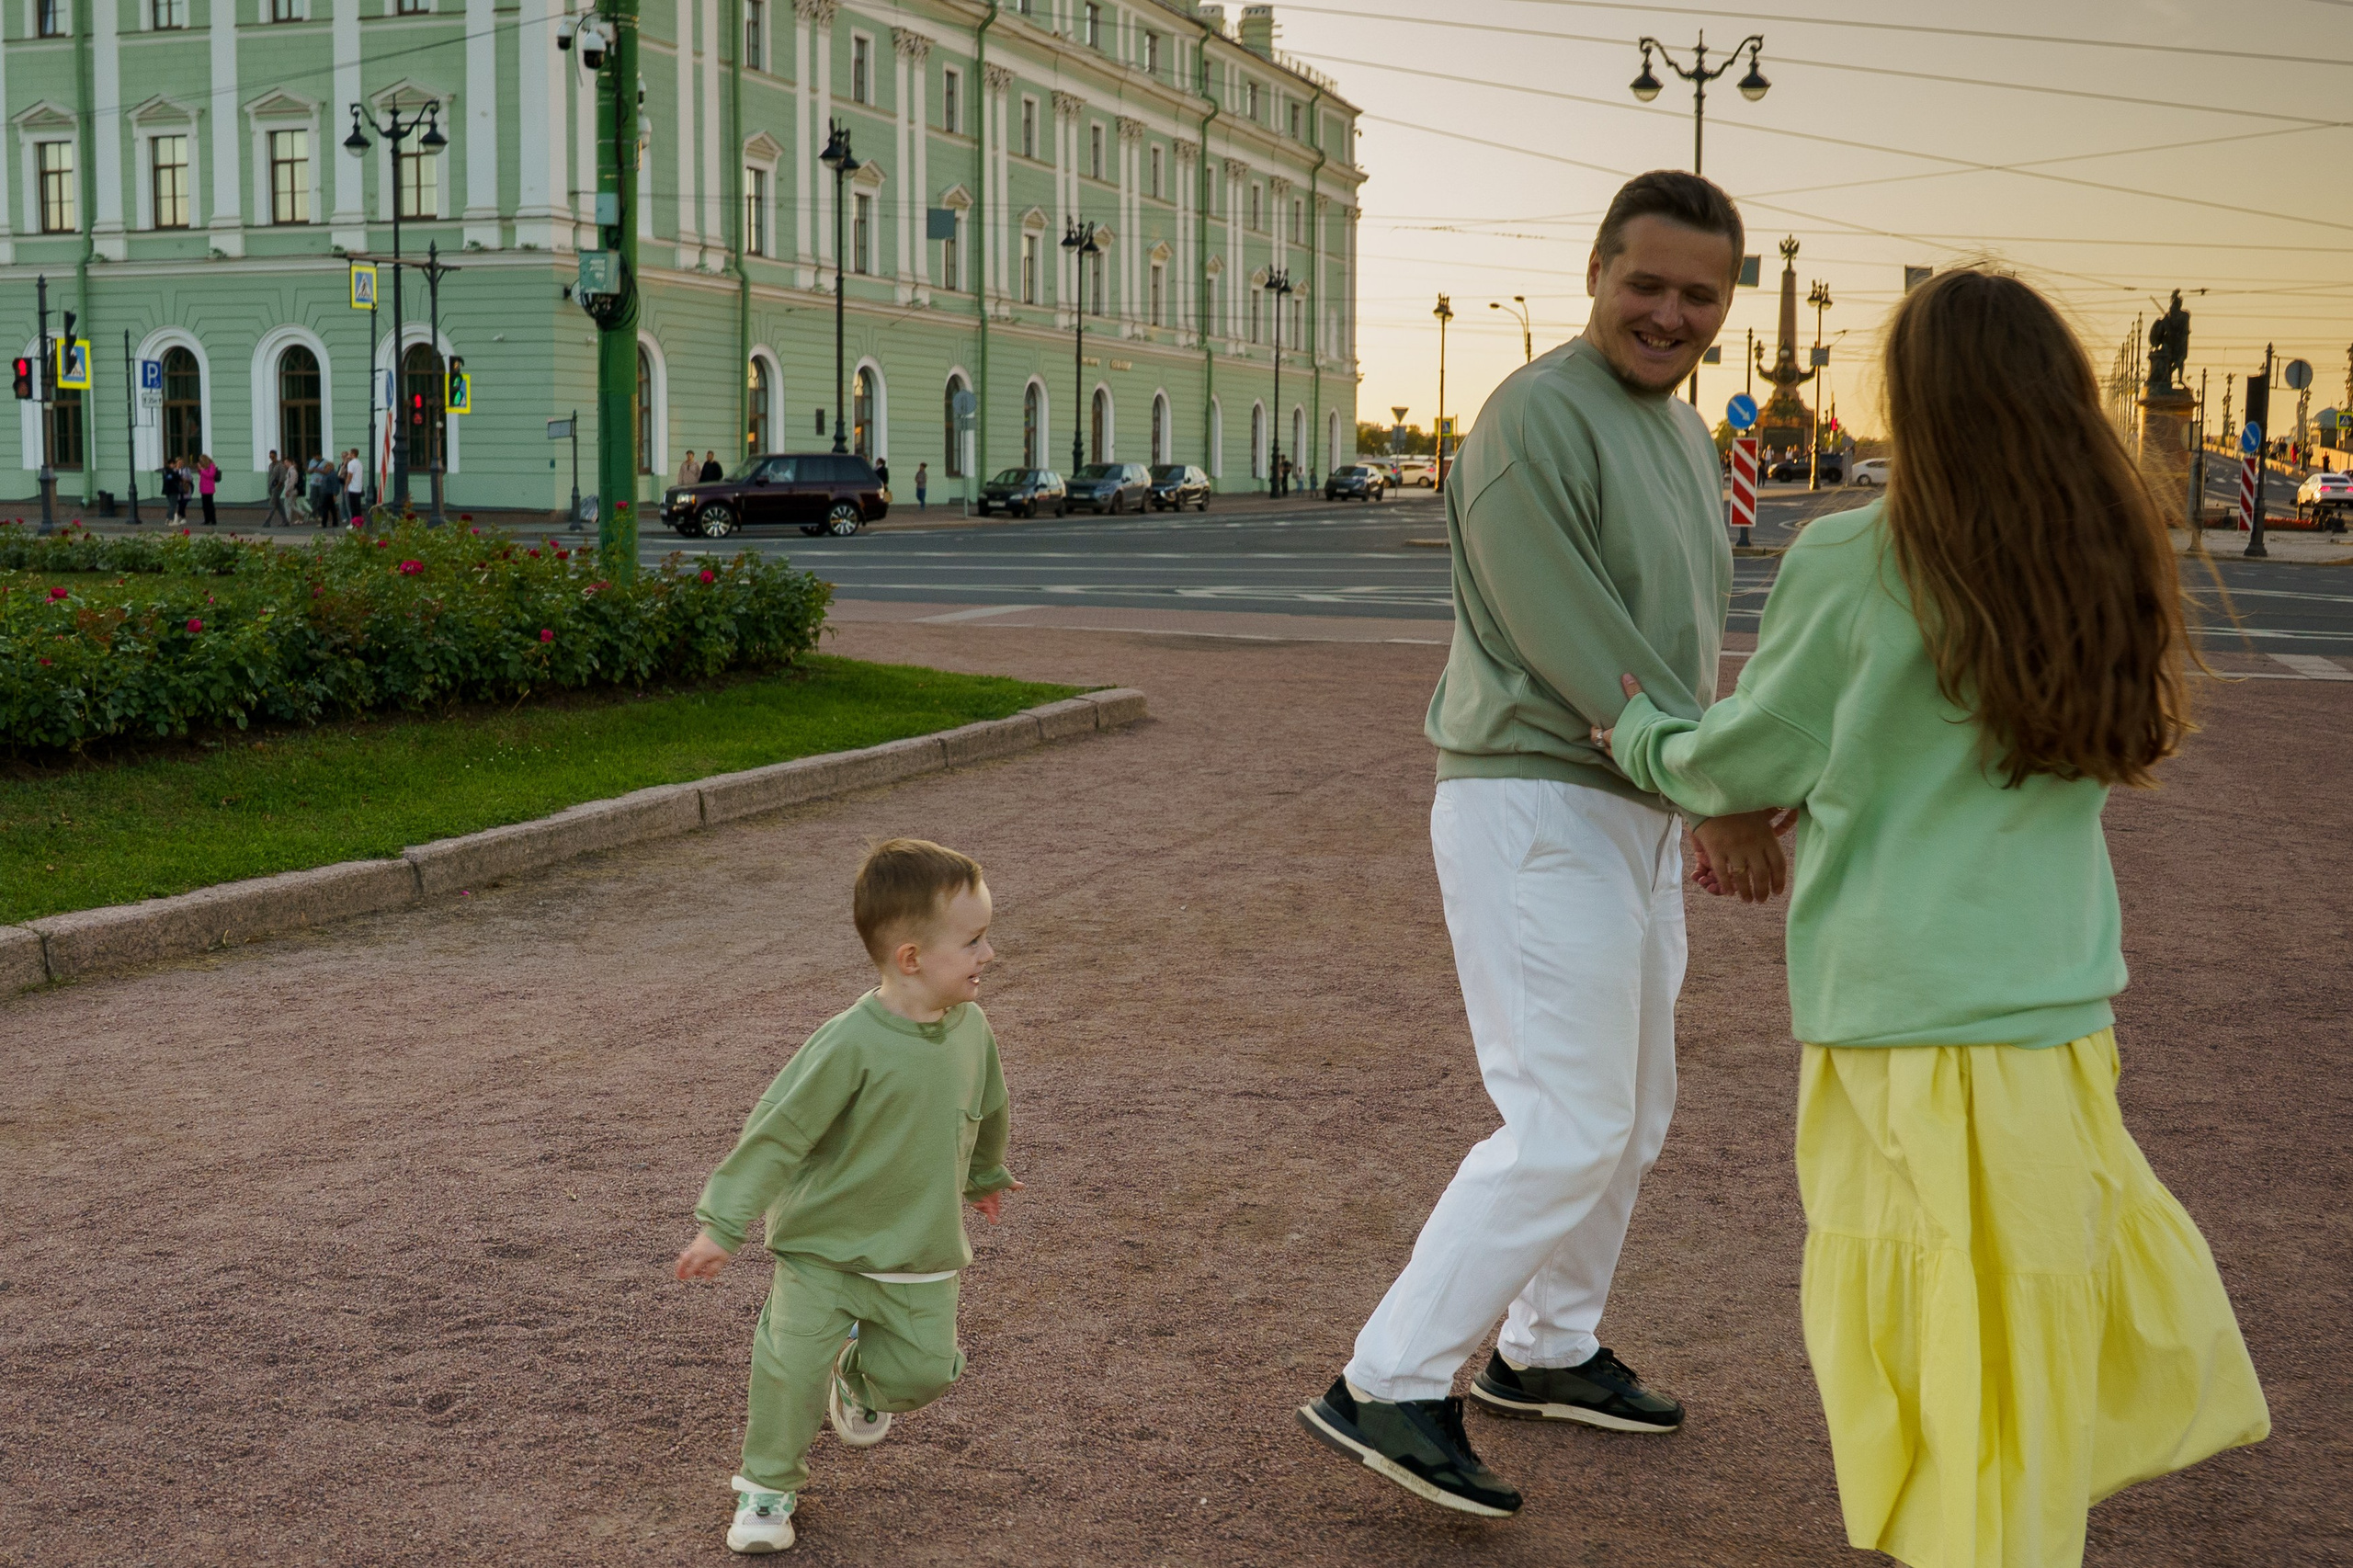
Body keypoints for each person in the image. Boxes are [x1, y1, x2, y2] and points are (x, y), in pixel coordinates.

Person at [1598, 267, 2269, 1568]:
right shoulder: (2102, 549)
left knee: (1932, 1325)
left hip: (1904, 1008)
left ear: (1916, 399)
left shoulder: (1863, 551)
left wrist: (1641, 731)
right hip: (2056, 1007)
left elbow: (1759, 750)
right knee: (2023, 1320)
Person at [1294, 170, 1789, 1519]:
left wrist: (1701, 783)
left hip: (1625, 804)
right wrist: (1713, 788)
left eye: (1701, 293)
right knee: (1565, 1115)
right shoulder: (1534, 418)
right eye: (1649, 282)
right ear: (1595, 270)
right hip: (1535, 798)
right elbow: (1584, 647)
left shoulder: (1684, 439)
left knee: (1630, 1118)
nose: (1671, 313)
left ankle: (1547, 1347)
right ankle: (1387, 1378)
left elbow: (1673, 652)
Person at [673, 838, 1022, 1555]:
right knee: (788, 1367)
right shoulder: (847, 1044)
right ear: (912, 959)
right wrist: (723, 1224)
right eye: (975, 940)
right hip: (823, 1252)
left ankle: (858, 1379)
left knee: (923, 1374)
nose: (991, 953)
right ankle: (767, 1487)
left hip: (920, 1252)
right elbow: (778, 1134)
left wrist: (985, 1174)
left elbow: (989, 1107)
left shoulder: (974, 1031)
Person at [261, 450, 293, 527]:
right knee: (278, 505)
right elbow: (270, 477)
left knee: (272, 504)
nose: (271, 458)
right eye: (270, 457)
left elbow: (282, 477)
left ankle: (267, 522)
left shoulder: (280, 465)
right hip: (271, 487)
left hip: (277, 487)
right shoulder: (271, 465)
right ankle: (285, 521)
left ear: (276, 456)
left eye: (273, 457)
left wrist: (278, 486)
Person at [196, 454, 219, 527]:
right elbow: (201, 474)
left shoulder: (211, 465)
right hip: (203, 488)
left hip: (209, 488)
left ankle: (213, 520)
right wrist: (199, 469)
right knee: (205, 506)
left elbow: (210, 475)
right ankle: (207, 519)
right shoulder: (204, 467)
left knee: (210, 505)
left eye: (201, 461)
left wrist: (202, 470)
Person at [344, 449, 365, 527]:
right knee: (358, 507)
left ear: (353, 454)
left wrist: (346, 486)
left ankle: (353, 523)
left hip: (352, 488)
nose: (348, 454)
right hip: (358, 487)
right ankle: (359, 523)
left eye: (349, 453)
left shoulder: (351, 463)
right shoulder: (359, 463)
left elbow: (349, 476)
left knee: (353, 507)